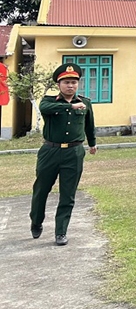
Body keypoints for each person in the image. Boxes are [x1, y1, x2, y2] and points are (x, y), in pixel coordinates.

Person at [30, 63, 97, 246]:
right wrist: (71, 108)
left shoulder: (85, 102)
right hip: (50, 151)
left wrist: (92, 143)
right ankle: (36, 220)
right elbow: (45, 109)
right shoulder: (48, 101)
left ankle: (61, 232)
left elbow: (89, 125)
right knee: (41, 189)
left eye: (74, 82)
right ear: (59, 84)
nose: (71, 86)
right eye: (67, 82)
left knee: (68, 194)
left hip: (74, 153)